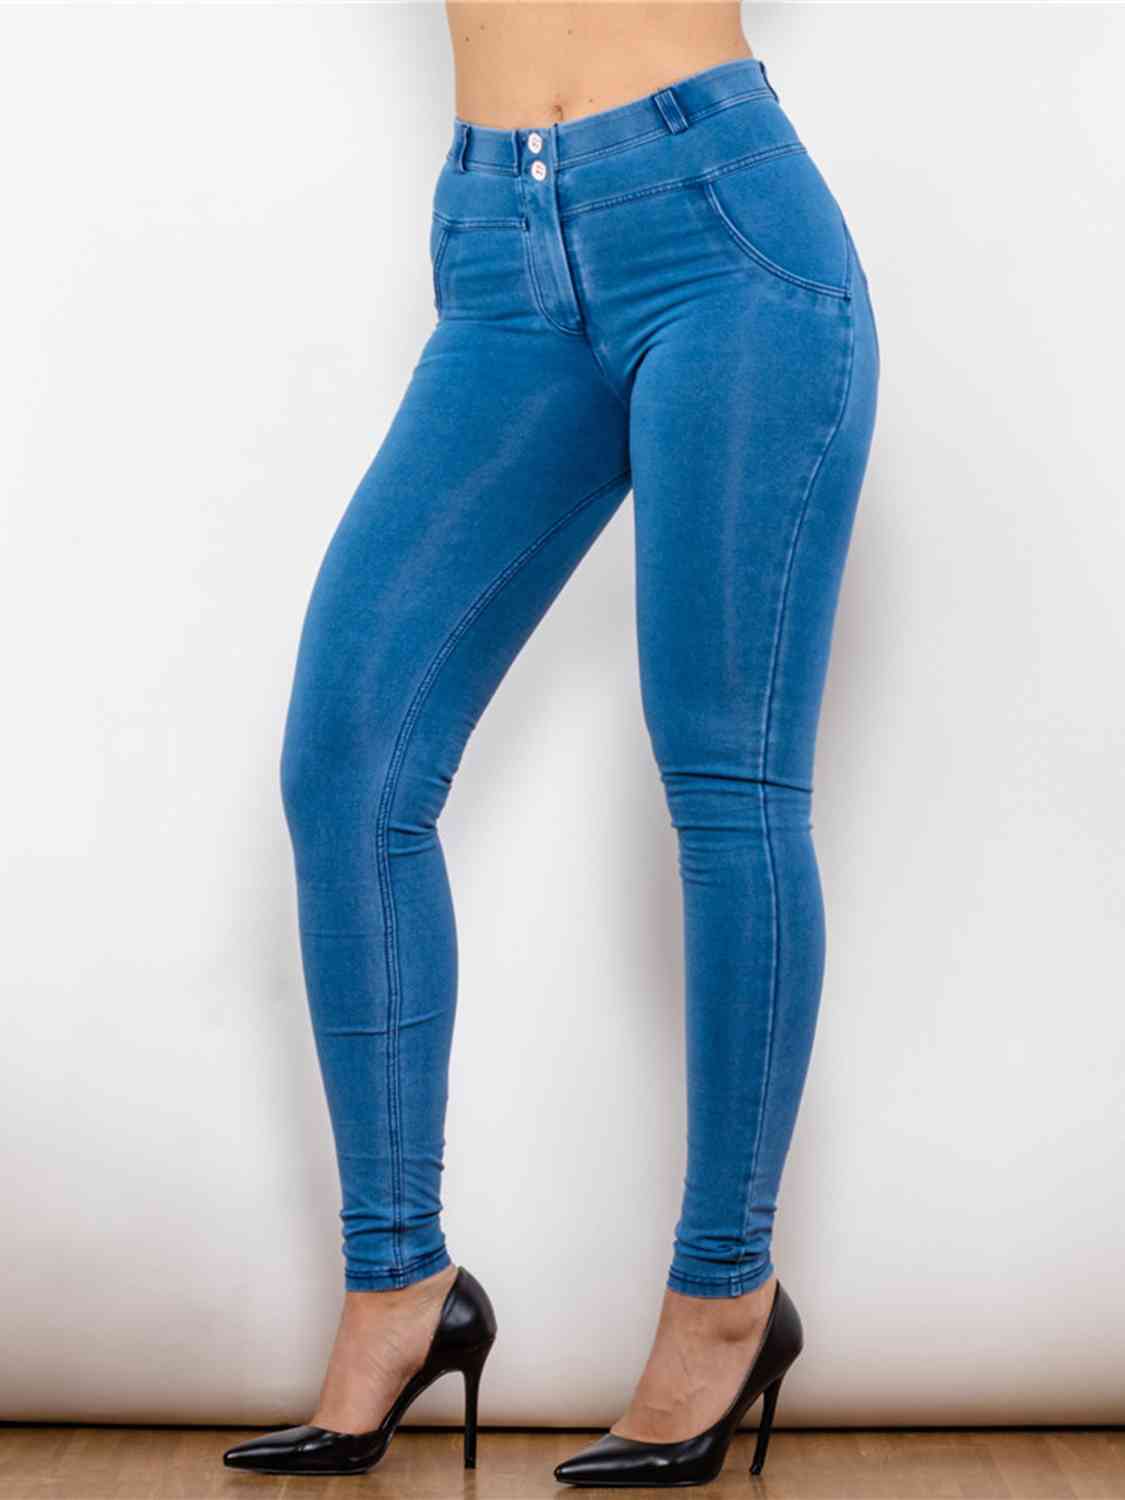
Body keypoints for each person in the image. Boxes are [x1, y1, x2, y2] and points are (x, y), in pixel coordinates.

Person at [223, 0, 879, 1484]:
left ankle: (726, 1298)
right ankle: (400, 1288)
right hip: (493, 252)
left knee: (728, 790)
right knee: (347, 766)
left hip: (721, 228)